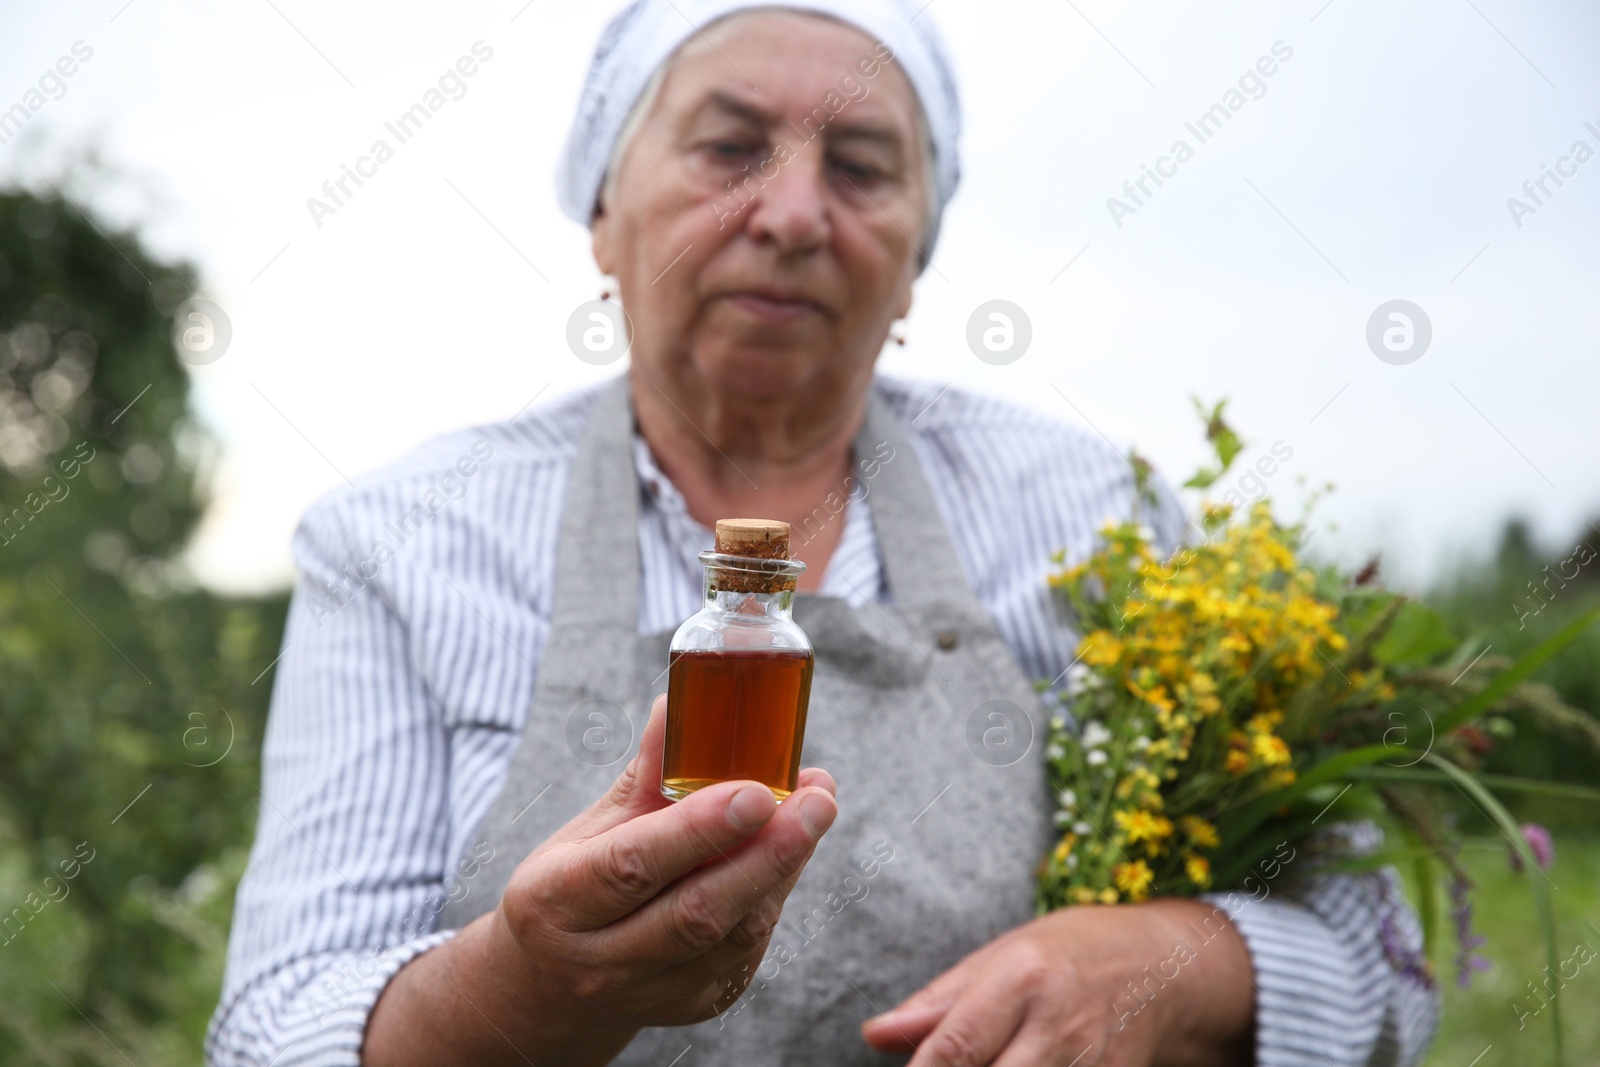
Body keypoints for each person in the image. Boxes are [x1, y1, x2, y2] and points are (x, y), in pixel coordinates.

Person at [207, 2, 1441, 1064]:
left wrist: (1178, 958)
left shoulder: (1102, 517)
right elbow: (269, 1027)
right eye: (728, 146)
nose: (792, 212)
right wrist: (518, 994)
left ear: (915, 259)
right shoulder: (399, 540)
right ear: (602, 211)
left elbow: (1387, 959)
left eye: (858, 165)